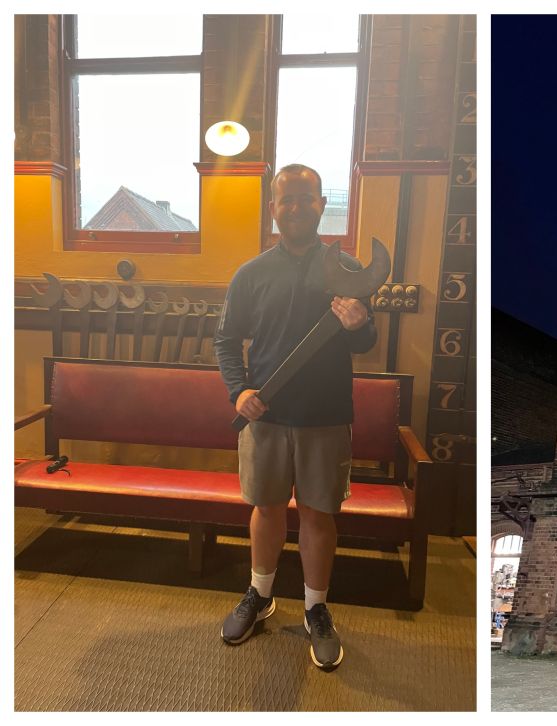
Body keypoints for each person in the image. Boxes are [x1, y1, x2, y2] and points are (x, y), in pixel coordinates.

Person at [214, 163, 376, 671]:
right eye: (288, 200)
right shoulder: (251, 273)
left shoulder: (348, 272)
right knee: (265, 506)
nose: (297, 207)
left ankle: (315, 607)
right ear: (273, 209)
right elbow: (225, 340)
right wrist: (239, 391)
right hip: (266, 413)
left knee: (317, 512)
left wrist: (359, 322)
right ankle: (260, 595)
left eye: (307, 198)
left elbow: (366, 343)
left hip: (326, 415)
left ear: (321, 204)